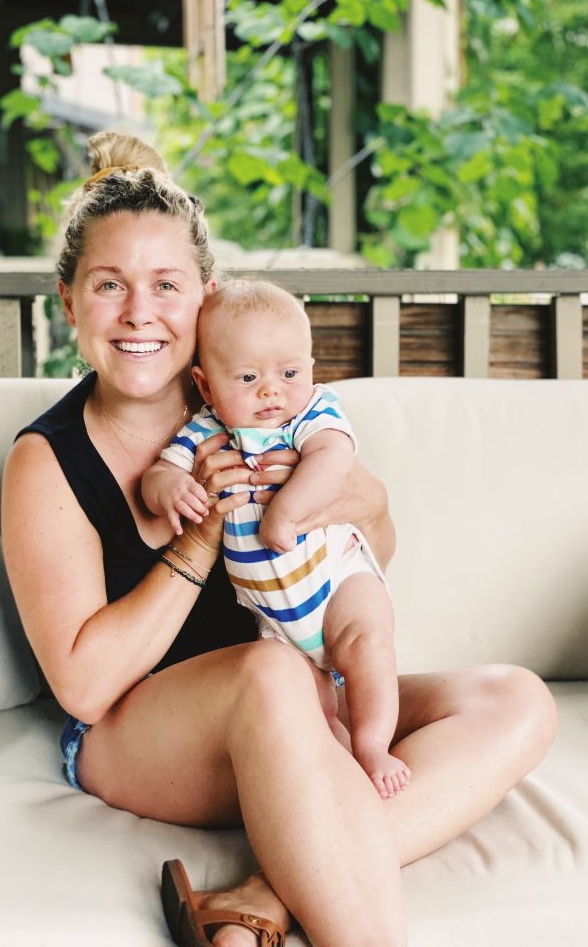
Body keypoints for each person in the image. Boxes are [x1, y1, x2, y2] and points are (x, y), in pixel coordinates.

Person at [1, 130, 558, 947]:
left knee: (516, 700)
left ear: (206, 297)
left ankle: (266, 893)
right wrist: (196, 544)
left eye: (166, 285)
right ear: (68, 299)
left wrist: (366, 503)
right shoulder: (46, 459)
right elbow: (84, 687)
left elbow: (363, 565)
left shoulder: (267, 406)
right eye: (109, 285)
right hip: (136, 732)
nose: (140, 313)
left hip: (296, 706)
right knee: (269, 672)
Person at [142, 278, 410, 799]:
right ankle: (341, 769)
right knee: (306, 706)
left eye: (290, 372)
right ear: (206, 385)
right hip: (272, 620)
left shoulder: (310, 414)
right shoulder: (206, 429)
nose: (272, 390)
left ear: (311, 368)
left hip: (337, 580)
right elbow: (158, 473)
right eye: (247, 377)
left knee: (367, 644)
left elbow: (334, 461)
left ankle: (374, 745)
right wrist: (171, 488)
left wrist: (282, 515)